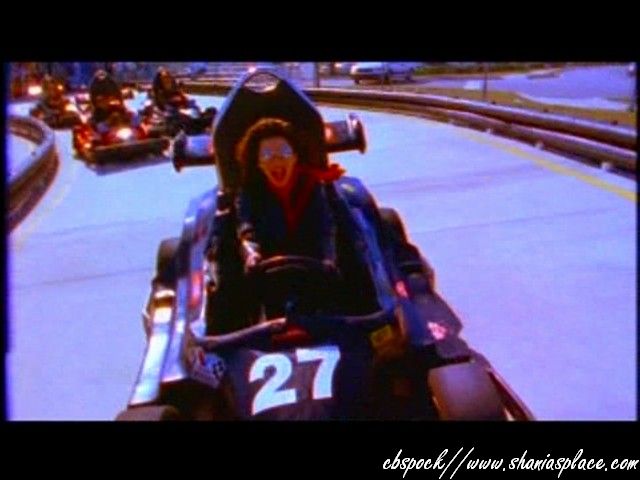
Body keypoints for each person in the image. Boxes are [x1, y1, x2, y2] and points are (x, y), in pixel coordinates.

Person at [204, 117, 345, 330]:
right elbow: (246, 228)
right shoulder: (249, 194)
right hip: (265, 275)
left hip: (314, 270)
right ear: (258, 163)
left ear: (295, 157)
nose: (277, 161)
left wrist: (328, 258)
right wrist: (251, 254)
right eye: (268, 155)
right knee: (233, 282)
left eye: (284, 153)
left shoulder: (314, 189)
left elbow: (325, 227)